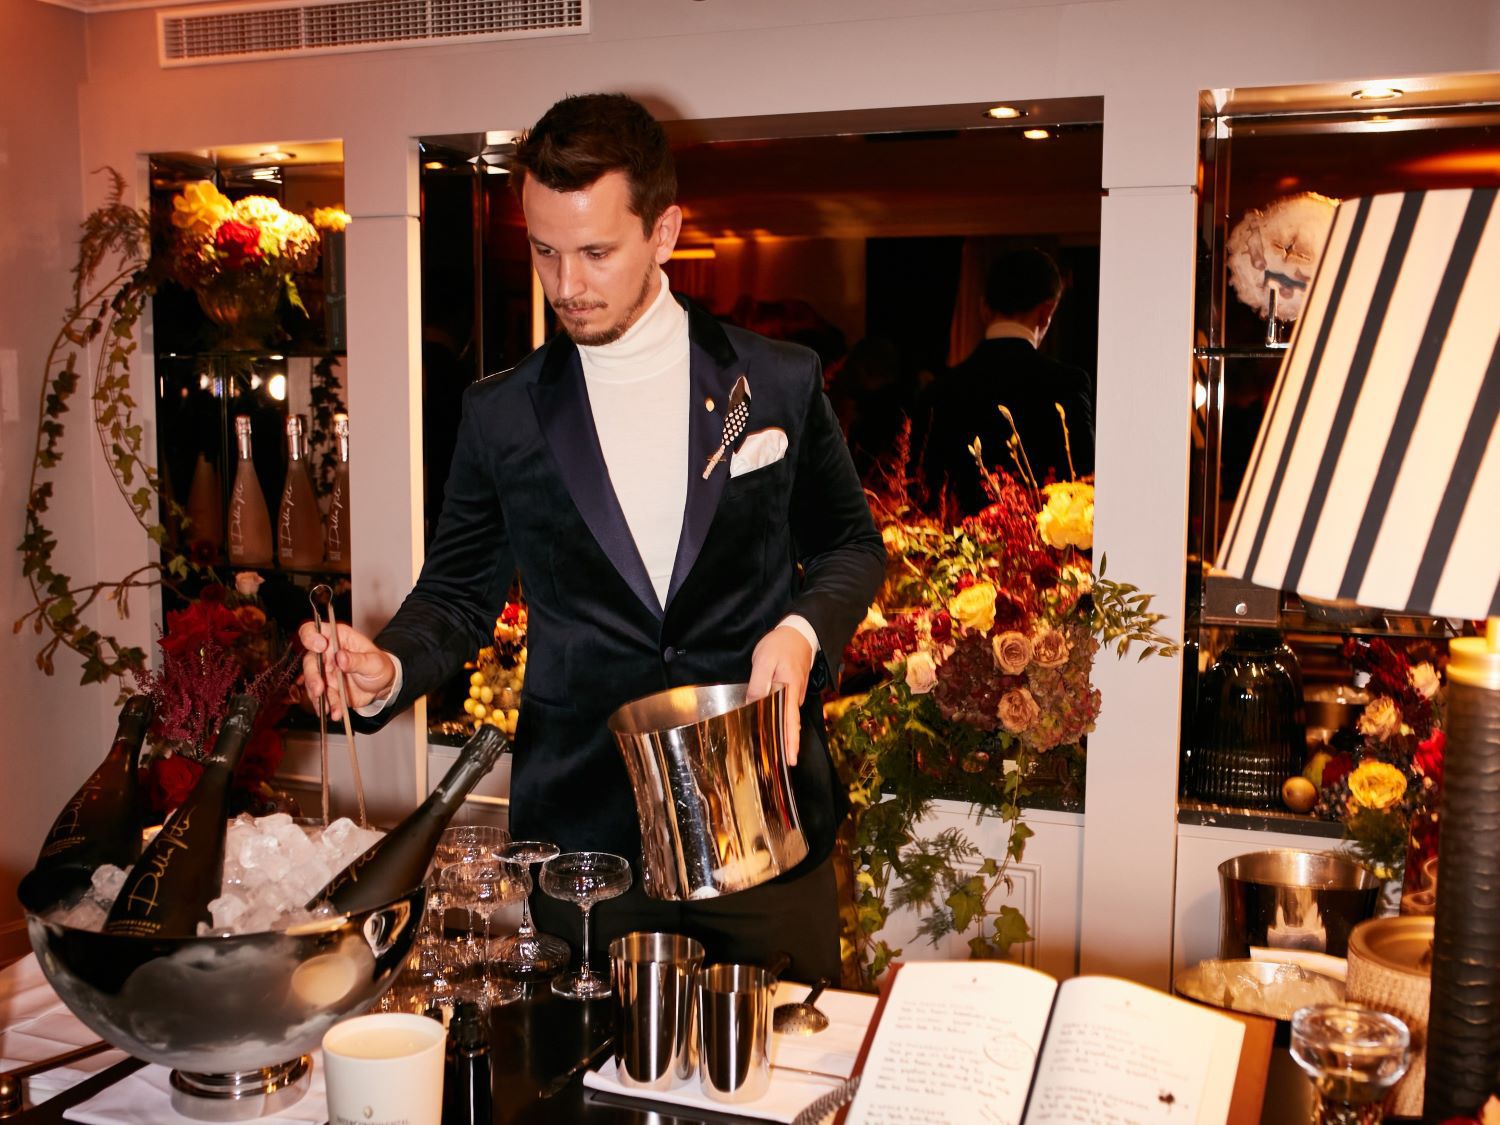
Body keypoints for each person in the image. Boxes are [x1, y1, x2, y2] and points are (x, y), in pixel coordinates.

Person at [299, 93, 885, 981]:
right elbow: (457, 598)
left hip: (760, 818)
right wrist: (387, 669)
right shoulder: (500, 416)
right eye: (544, 251)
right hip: (585, 851)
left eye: (596, 252)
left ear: (666, 231)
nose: (566, 285)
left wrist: (801, 634)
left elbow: (849, 545)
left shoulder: (777, 381)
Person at [925, 248, 1095, 515]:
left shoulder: (941, 389)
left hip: (956, 550)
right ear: (1046, 312)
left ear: (983, 308)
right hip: (1044, 552)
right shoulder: (1067, 383)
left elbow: (929, 487)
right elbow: (1086, 481)